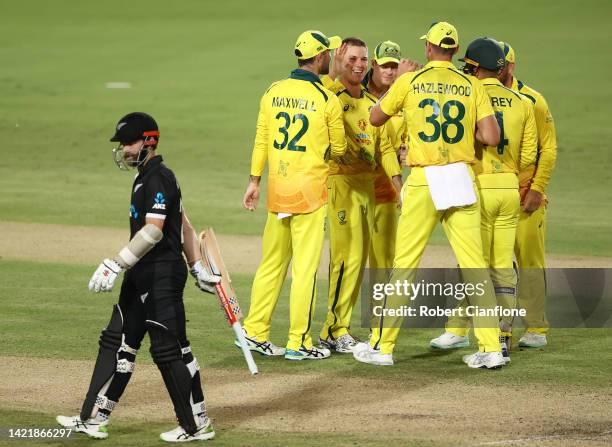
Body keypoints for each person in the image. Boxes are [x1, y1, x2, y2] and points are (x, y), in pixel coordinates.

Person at [56, 112, 221, 442]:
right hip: (142, 273)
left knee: (171, 351)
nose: (125, 150)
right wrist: (196, 265)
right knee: (118, 343)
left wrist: (116, 264)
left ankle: (196, 425)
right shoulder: (147, 177)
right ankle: (93, 418)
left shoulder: (159, 178)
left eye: (129, 143)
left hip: (161, 276)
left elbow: (154, 232)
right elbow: (185, 225)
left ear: (148, 141)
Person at [354, 21, 505, 369]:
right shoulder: (471, 84)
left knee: (404, 266)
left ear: (428, 48)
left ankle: (383, 347)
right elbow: (492, 137)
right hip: (461, 176)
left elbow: (376, 117)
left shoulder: (411, 81)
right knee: (475, 266)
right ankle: (491, 348)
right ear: (454, 51)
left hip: (425, 179)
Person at [241, 30, 347, 361]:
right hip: (310, 195)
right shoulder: (326, 99)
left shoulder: (273, 91)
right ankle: (298, 341)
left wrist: (255, 180)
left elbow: (261, 139)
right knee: (304, 270)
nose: (330, 57)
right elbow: (340, 148)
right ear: (318, 59)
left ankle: (254, 332)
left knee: (271, 263)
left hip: (278, 190)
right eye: (327, 54)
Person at [430, 38, 538, 363]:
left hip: (476, 186)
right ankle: (503, 338)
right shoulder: (523, 102)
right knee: (503, 266)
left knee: (476, 266)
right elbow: (530, 153)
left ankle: (484, 344)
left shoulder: (469, 95)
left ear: (473, 67)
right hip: (508, 189)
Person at [318, 37, 403, 353]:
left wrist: (397, 185)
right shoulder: (330, 96)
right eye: (352, 58)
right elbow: (320, 98)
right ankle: (332, 328)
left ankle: (341, 327)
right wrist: (333, 74)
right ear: (342, 60)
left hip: (367, 188)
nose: (359, 64)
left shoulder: (371, 104)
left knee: (357, 261)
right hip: (341, 184)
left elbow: (386, 147)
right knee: (345, 259)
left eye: (363, 59)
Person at [498, 42, 558, 348]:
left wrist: (537, 189)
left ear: (510, 66)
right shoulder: (480, 95)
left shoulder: (532, 100)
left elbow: (548, 149)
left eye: (500, 65)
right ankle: (464, 328)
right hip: (493, 193)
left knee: (529, 260)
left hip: (524, 195)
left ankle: (536, 328)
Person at [362, 41, 407, 270]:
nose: (390, 71)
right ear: (374, 64)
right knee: (350, 262)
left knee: (384, 262)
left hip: (387, 189)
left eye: (394, 67)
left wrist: (408, 148)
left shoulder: (403, 98)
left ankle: (381, 308)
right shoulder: (355, 91)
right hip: (355, 189)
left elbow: (405, 138)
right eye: (385, 66)